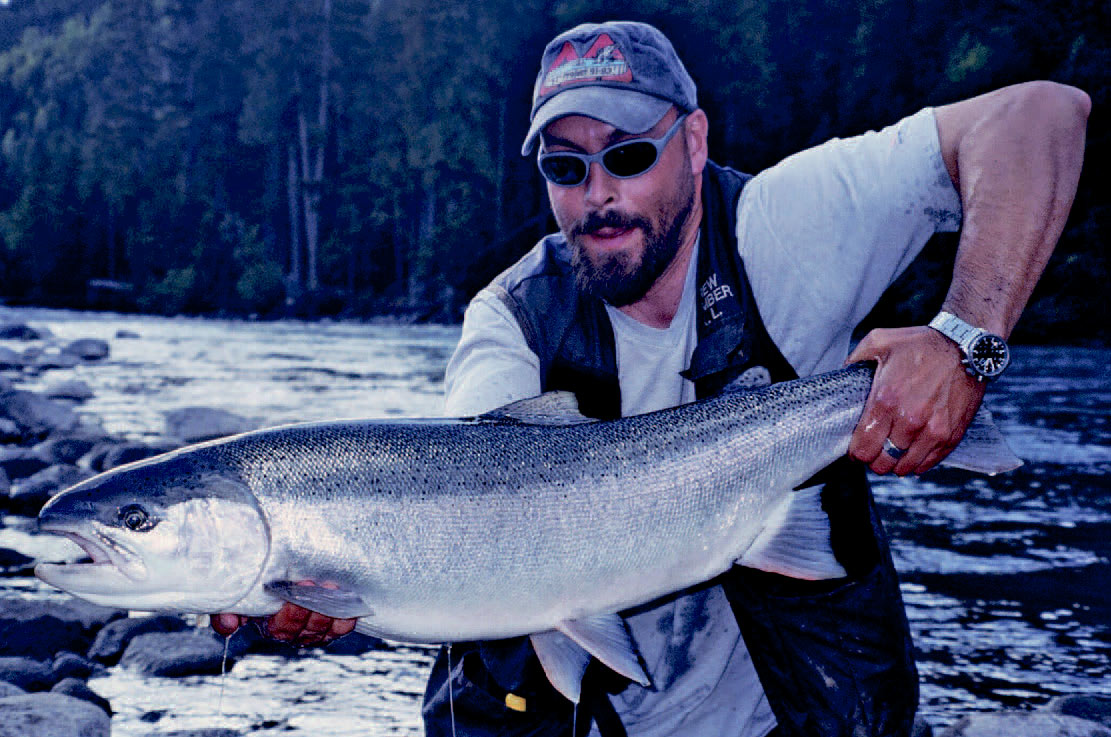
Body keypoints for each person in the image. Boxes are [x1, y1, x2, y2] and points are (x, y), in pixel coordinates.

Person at [213, 19, 1089, 737]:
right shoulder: (512, 315)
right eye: (565, 166)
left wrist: (963, 341)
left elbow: (1039, 116)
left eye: (628, 154)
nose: (598, 193)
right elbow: (472, 487)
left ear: (694, 139)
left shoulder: (787, 225)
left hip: (794, 710)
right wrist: (333, 585)